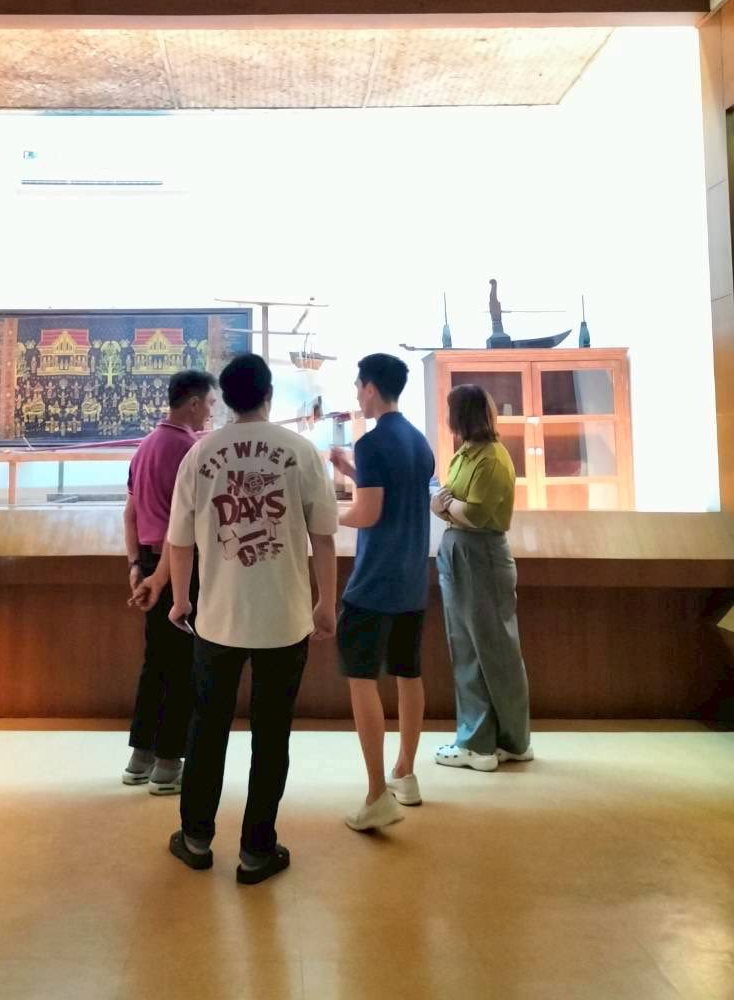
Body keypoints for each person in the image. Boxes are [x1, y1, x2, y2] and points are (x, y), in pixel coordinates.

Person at [165, 353, 338, 884]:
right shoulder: (301, 452)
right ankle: (256, 850)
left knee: (207, 729)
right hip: (284, 620)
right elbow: (324, 537)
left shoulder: (199, 454)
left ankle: (196, 838)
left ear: (226, 399)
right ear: (268, 395)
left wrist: (181, 600)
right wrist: (326, 602)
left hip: (218, 620)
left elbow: (179, 540)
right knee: (271, 734)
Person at [332, 353, 435, 831]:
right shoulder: (418, 441)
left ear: (371, 387)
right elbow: (392, 492)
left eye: (358, 387)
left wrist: (329, 514)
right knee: (407, 674)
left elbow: (369, 513)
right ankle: (405, 773)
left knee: (362, 679)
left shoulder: (371, 442)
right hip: (412, 579)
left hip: (374, 581)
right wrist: (353, 472)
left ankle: (376, 794)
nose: (357, 394)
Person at [122, 368, 217, 794]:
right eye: (209, 403)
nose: (210, 412)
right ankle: (167, 764)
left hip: (146, 561)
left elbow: (129, 514)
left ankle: (139, 758)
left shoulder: (144, 447)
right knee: (182, 666)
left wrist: (135, 567)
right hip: (176, 567)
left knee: (155, 662)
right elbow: (183, 530)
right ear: (193, 403)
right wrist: (162, 578)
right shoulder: (190, 451)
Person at [430, 384, 532, 772]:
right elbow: (445, 503)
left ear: (462, 414)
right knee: (471, 648)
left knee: (491, 651)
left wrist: (445, 505)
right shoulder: (464, 454)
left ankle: (486, 744)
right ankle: (496, 739)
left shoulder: (492, 458)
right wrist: (445, 505)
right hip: (462, 550)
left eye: (450, 409)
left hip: (480, 553)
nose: (447, 417)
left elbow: (471, 514)